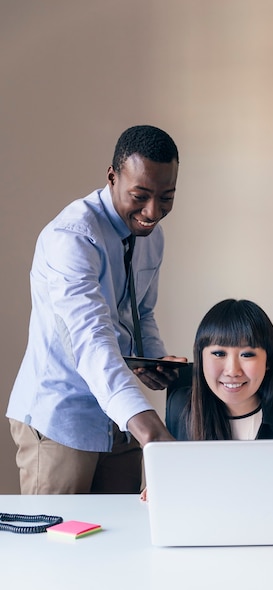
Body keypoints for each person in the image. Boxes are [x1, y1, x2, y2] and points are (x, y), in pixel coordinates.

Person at [7, 125, 186, 495]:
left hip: (120, 420)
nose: (153, 212)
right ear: (111, 176)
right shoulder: (70, 239)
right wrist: (149, 428)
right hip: (61, 421)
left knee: (120, 543)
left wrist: (153, 358)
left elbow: (140, 311)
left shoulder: (152, 236)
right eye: (141, 195)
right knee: (57, 547)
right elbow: (90, 340)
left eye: (166, 197)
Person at [166, 299, 273, 441]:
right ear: (200, 359)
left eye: (247, 355)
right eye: (219, 353)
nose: (232, 371)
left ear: (268, 360)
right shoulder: (180, 408)